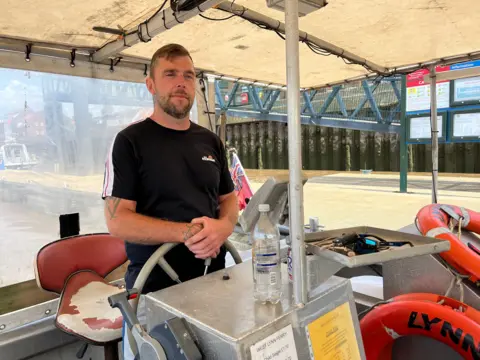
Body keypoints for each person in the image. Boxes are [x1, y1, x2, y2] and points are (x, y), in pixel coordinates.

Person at [101, 43, 238, 358]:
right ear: (150, 84)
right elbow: (117, 220)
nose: (181, 83)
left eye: (189, 76)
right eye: (170, 74)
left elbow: (229, 199)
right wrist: (186, 233)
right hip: (155, 288)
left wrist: (225, 227)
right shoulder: (129, 142)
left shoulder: (210, 141)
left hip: (214, 281)